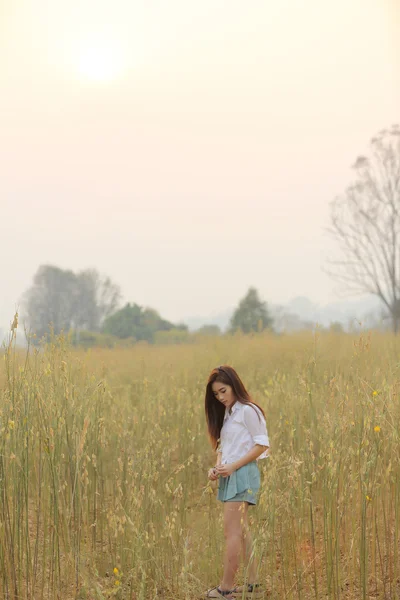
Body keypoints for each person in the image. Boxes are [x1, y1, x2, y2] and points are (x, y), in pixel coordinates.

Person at [204, 365, 269, 599]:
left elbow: (262, 444)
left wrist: (233, 466)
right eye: (216, 394)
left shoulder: (248, 410)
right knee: (240, 530)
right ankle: (253, 584)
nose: (221, 397)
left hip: (242, 473)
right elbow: (225, 446)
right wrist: (218, 467)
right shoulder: (230, 413)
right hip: (231, 473)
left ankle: (226, 588)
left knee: (231, 531)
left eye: (223, 391)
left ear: (234, 385)